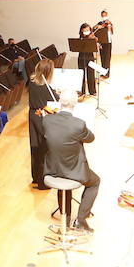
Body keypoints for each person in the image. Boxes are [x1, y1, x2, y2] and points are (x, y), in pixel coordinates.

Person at [41, 92, 99, 233]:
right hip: (73, 170)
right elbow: (90, 138)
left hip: (53, 168)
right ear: (75, 104)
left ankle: (65, 224)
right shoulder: (78, 124)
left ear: (60, 102)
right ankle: (81, 220)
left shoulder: (46, 120)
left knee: (63, 187)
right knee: (95, 182)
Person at [26, 59, 57, 191]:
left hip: (33, 115)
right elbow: (56, 99)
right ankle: (43, 183)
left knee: (35, 148)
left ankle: (36, 178)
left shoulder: (31, 82)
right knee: (43, 150)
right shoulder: (45, 88)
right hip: (41, 117)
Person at [75, 23, 99, 96]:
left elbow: (97, 47)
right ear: (82, 31)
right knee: (81, 74)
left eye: (88, 30)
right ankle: (82, 91)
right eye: (85, 30)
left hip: (90, 57)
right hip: (81, 57)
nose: (87, 32)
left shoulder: (93, 37)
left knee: (91, 74)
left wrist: (95, 41)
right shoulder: (80, 39)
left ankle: (92, 91)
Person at [93, 9, 114, 74]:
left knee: (107, 58)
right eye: (102, 15)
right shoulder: (100, 23)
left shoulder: (109, 23)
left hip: (108, 42)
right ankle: (103, 72)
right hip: (101, 42)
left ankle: (107, 74)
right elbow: (93, 28)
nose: (104, 16)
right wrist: (97, 26)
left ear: (107, 15)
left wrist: (107, 26)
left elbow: (111, 32)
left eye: (105, 15)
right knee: (102, 58)